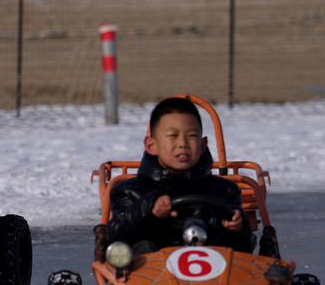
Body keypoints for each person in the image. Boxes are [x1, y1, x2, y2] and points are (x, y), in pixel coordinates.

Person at [107, 97, 253, 253]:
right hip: (152, 273)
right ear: (151, 145)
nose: (183, 143)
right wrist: (148, 210)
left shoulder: (225, 190)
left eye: (191, 135)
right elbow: (115, 235)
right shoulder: (130, 190)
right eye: (173, 136)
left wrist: (239, 225)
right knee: (143, 247)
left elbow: (246, 246)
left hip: (215, 271)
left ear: (203, 145)